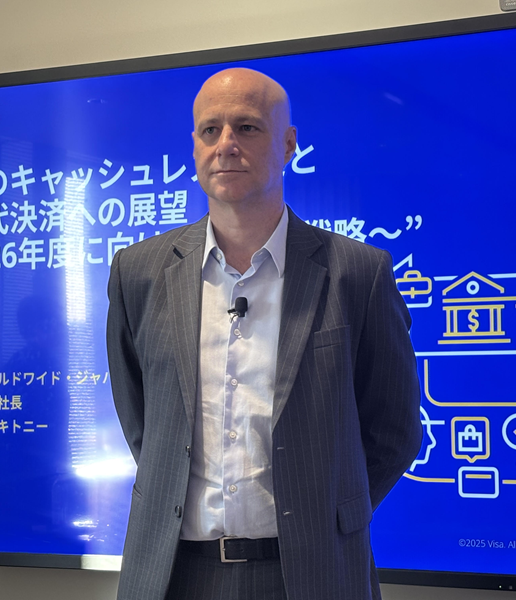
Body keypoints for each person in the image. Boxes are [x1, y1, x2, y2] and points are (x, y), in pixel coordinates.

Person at [106, 67, 422, 600]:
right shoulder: (138, 272)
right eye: (211, 130)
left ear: (288, 144)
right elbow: (143, 424)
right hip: (172, 574)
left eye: (247, 127)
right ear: (194, 145)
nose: (226, 144)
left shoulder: (357, 274)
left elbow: (394, 432)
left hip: (312, 574)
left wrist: (326, 514)